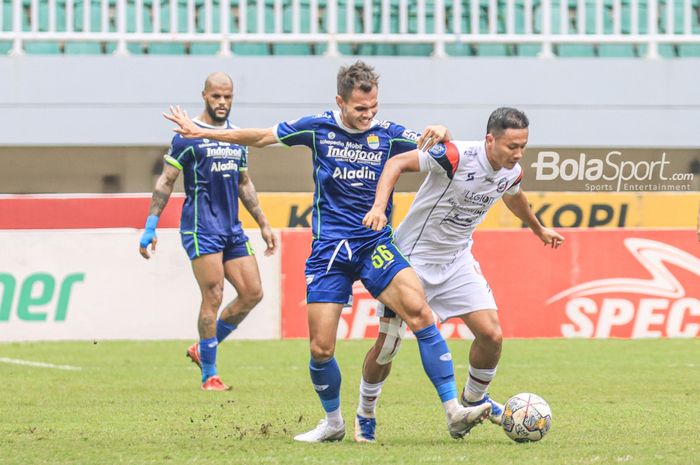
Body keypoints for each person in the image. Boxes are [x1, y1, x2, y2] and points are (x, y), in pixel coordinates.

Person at [163, 61, 492, 443]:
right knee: (321, 348)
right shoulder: (317, 127)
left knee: (420, 313)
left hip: (374, 244)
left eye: (373, 107)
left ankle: (453, 410)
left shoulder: (388, 133)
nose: (368, 115)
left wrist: (444, 130)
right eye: (359, 109)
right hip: (329, 251)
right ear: (340, 101)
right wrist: (203, 131)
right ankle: (334, 422)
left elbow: (442, 148)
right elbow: (262, 137)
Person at [361, 107, 564, 438]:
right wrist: (377, 209)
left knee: (492, 335)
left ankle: (472, 401)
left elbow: (513, 196)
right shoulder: (455, 156)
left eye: (523, 146)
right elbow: (397, 163)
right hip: (411, 260)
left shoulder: (511, 171)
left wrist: (538, 229)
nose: (518, 153)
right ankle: (365, 414)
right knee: (387, 348)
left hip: (457, 261)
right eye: (512, 146)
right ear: (490, 139)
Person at [139, 72, 277, 392]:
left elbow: (244, 183)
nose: (222, 102)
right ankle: (210, 375)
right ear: (205, 96)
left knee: (253, 292)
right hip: (201, 228)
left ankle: (203, 347)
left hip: (232, 229)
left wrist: (264, 223)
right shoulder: (188, 135)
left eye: (228, 97)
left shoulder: (237, 136)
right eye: (216, 96)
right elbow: (166, 181)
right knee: (213, 295)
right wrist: (150, 226)